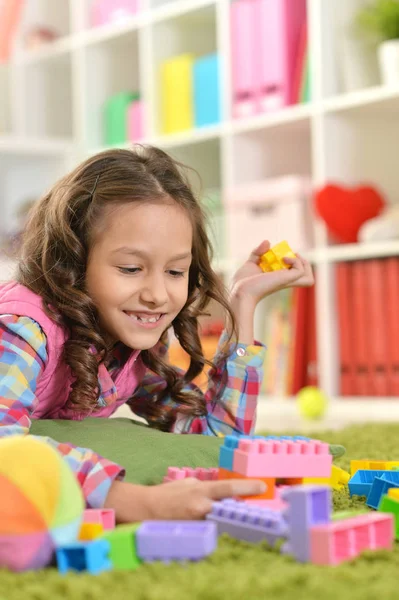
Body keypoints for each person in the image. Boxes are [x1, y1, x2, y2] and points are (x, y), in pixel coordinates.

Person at [0, 146, 314, 523]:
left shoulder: (132, 345)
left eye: (175, 271)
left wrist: (242, 305)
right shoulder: (22, 328)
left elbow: (213, 438)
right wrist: (135, 501)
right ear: (74, 262)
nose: (157, 296)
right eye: (131, 268)